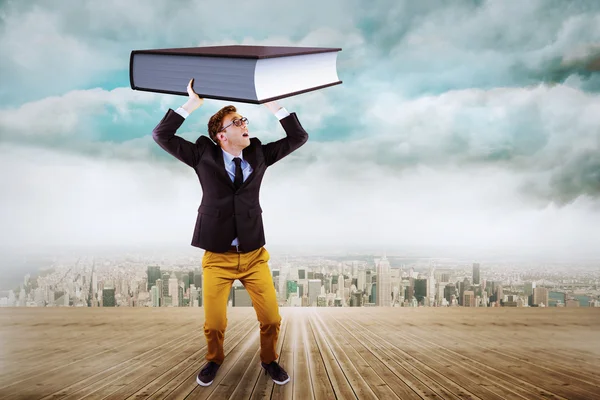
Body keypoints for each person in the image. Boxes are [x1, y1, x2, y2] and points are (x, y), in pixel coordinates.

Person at [151, 78, 309, 387]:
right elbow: (162, 135)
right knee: (215, 323)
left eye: (244, 120)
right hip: (218, 257)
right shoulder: (202, 155)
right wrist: (191, 104)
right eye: (236, 122)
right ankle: (214, 359)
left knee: (271, 320)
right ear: (221, 136)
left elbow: (299, 136)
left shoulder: (260, 154)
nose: (244, 124)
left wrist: (273, 104)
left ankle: (269, 360)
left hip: (254, 255)